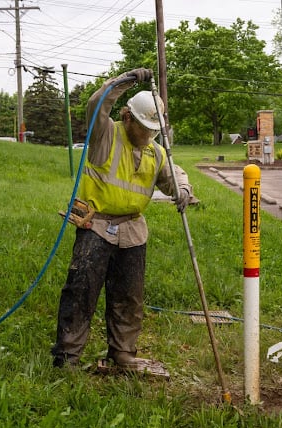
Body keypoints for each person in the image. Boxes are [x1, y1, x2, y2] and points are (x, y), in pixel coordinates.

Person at [51, 68, 193, 369]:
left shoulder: (155, 151)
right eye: (143, 128)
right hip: (96, 226)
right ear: (127, 117)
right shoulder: (105, 134)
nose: (148, 135)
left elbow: (174, 175)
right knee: (81, 291)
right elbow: (97, 104)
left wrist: (183, 189)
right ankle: (68, 356)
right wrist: (124, 81)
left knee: (129, 296)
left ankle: (123, 352)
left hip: (132, 231)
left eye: (154, 130)